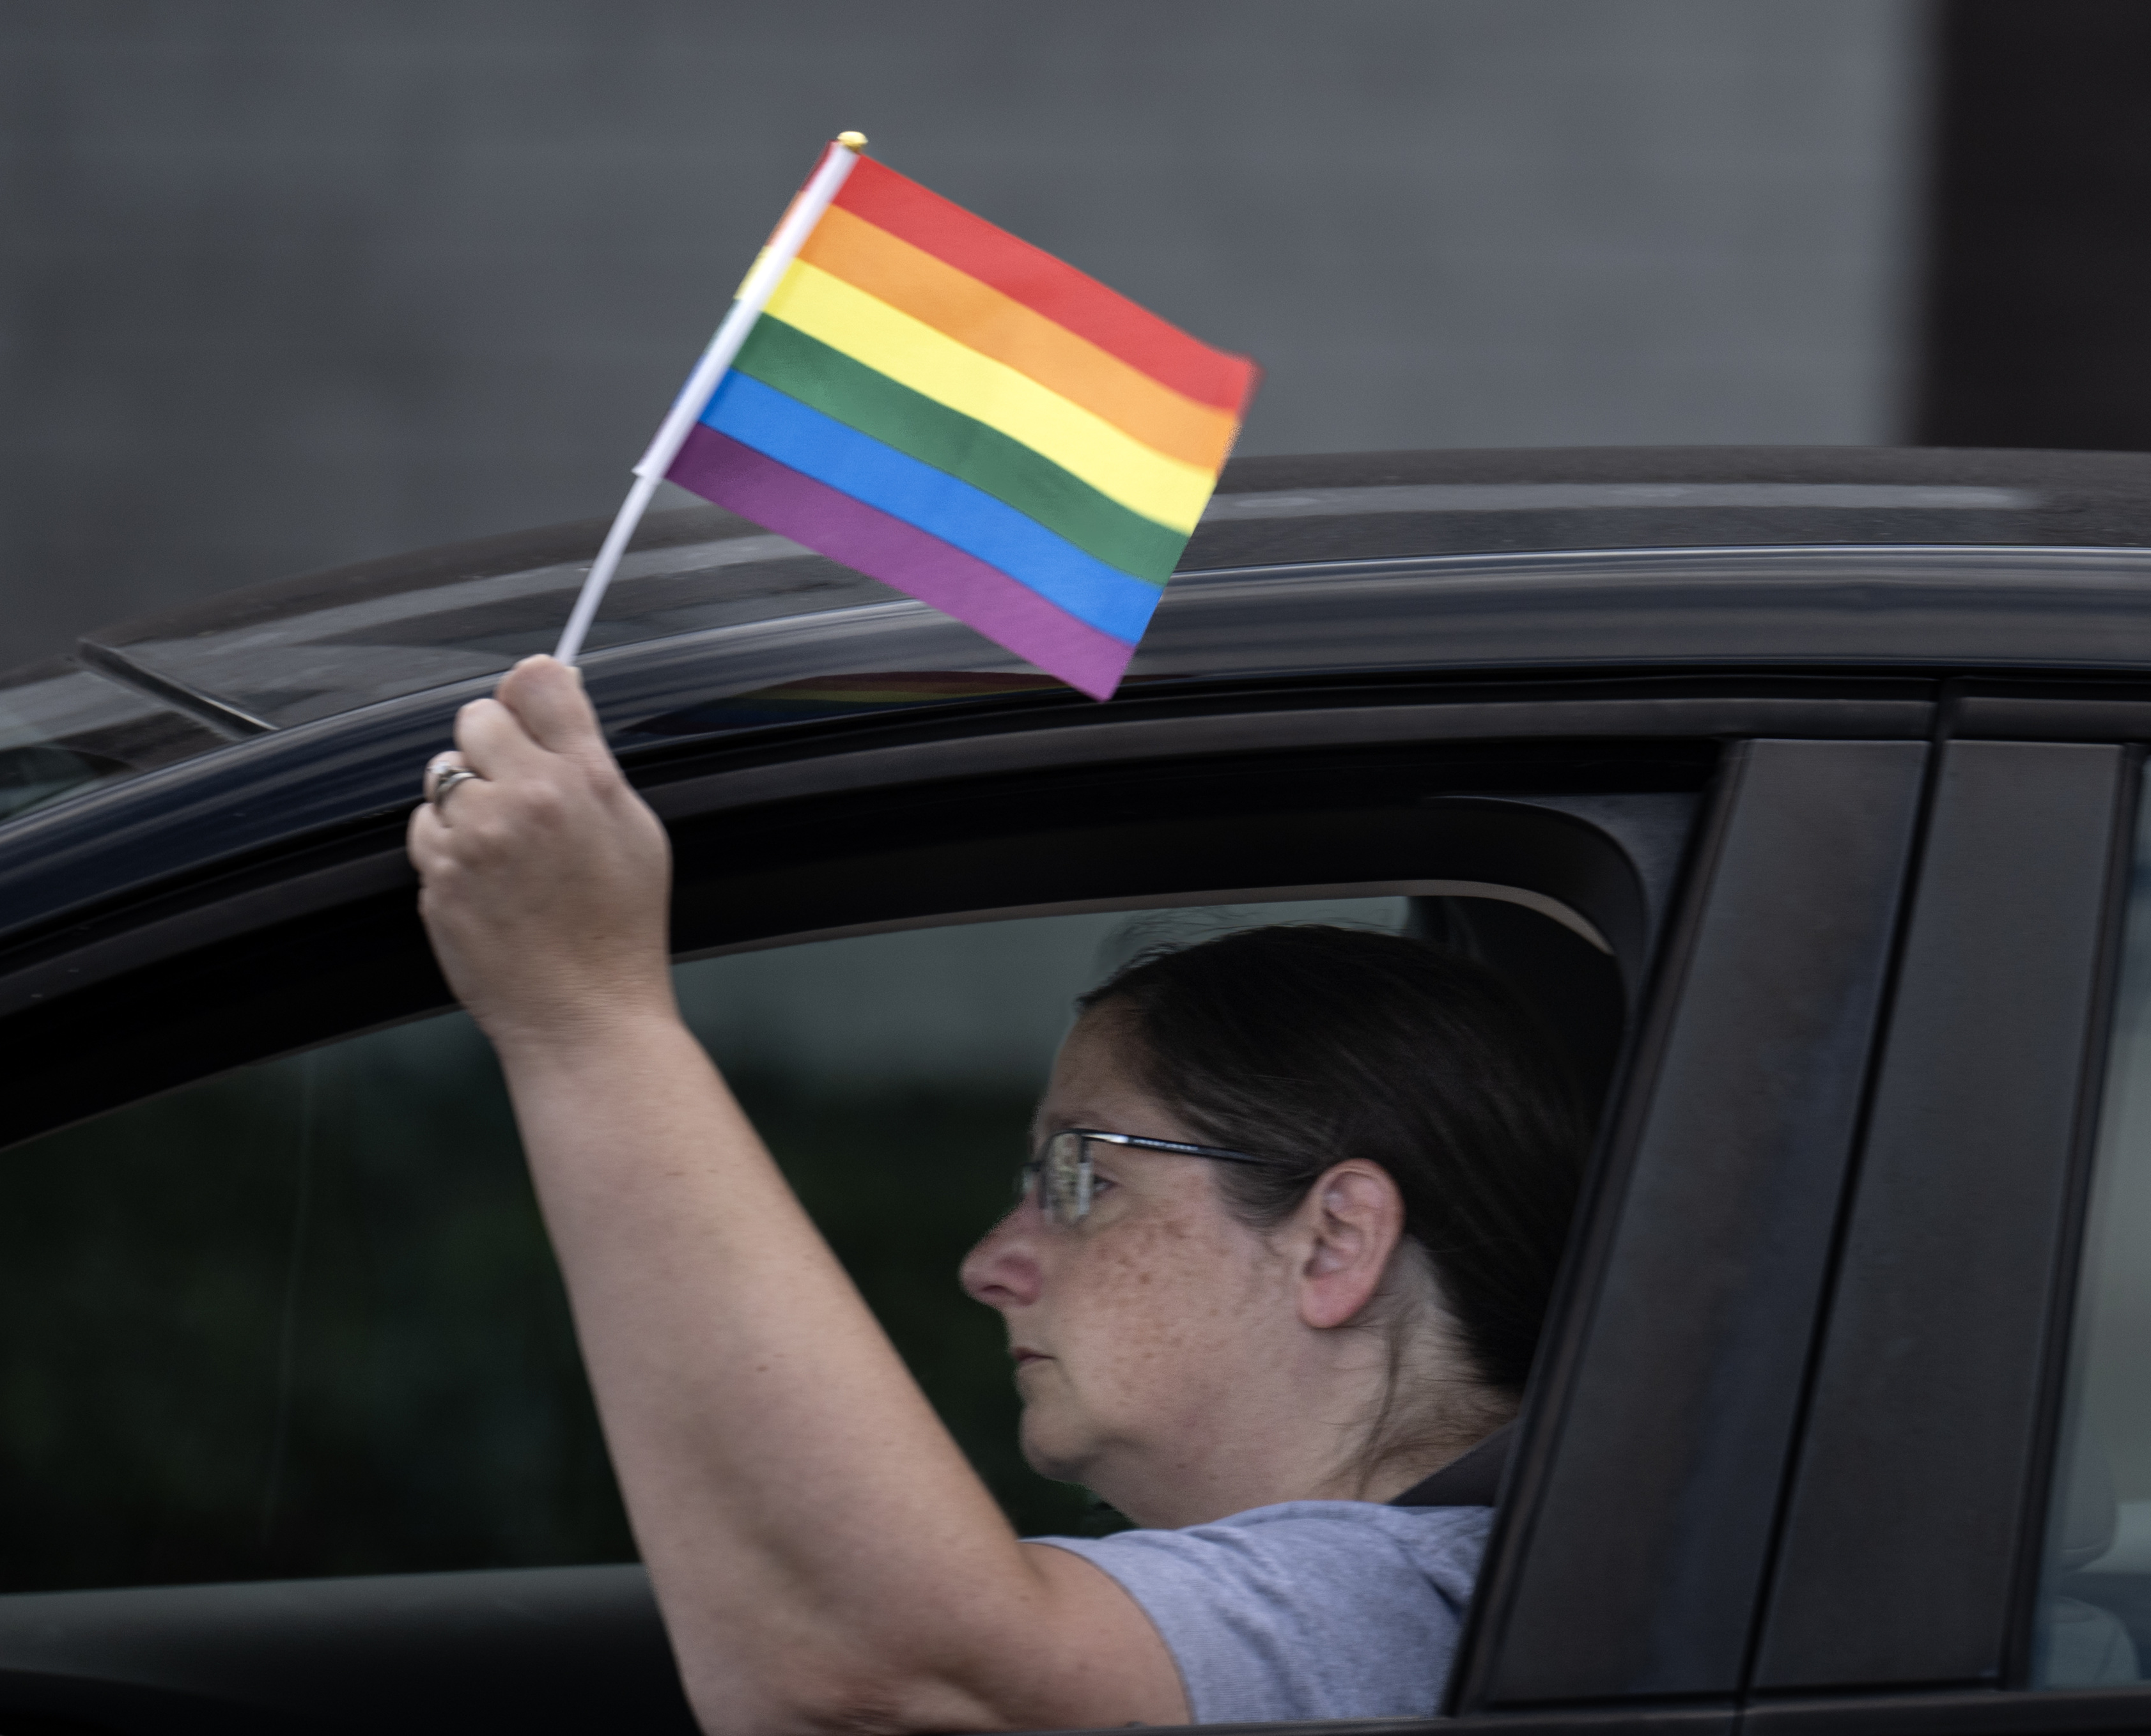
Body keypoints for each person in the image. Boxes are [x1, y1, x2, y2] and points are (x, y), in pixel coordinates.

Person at [408, 655, 1588, 1733]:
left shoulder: (1407, 1603)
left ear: (1334, 1241)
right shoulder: (1488, 1594)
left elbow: (878, 1679)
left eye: (1081, 1178)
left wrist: (586, 1016)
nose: (988, 1265)